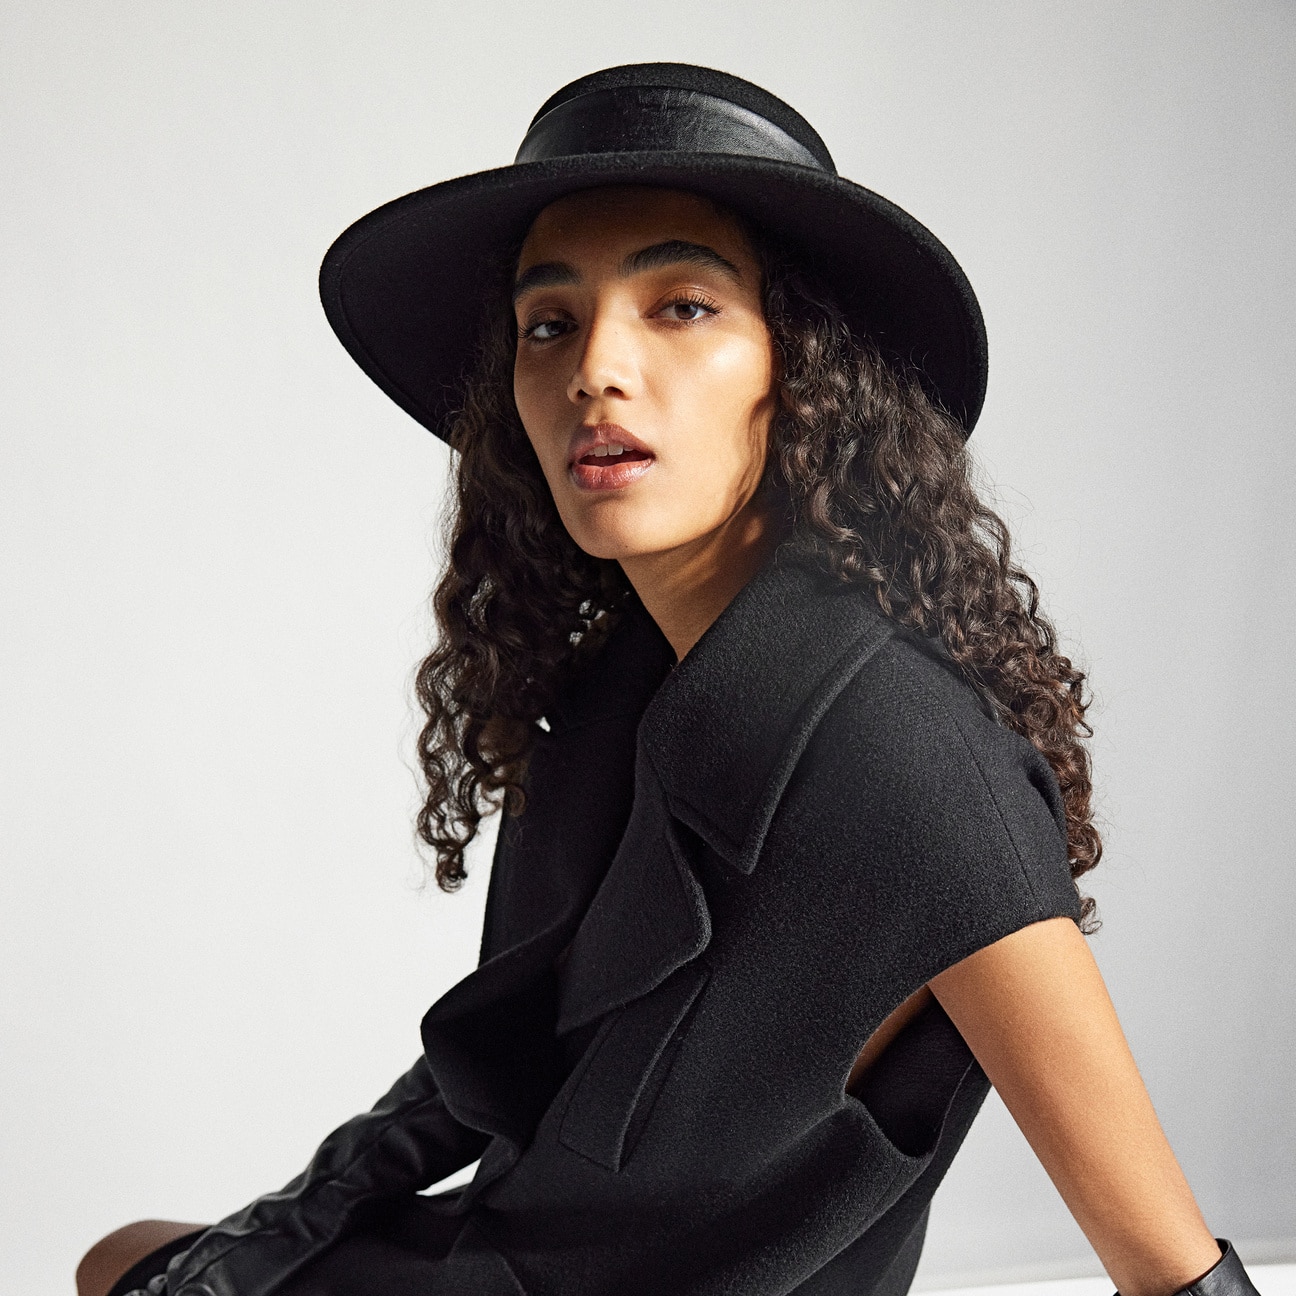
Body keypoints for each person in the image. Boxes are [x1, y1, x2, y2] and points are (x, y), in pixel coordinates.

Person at [77, 63, 1262, 1296]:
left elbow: (1168, 1261)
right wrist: (270, 1234)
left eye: (681, 306)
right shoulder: (619, 694)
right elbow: (496, 1054)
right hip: (517, 1252)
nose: (596, 367)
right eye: (550, 323)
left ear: (801, 369)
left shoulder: (906, 746)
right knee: (129, 1260)